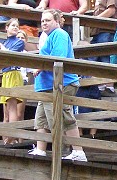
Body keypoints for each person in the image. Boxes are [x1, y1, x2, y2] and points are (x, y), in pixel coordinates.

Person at [28, 9, 88, 161]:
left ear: (56, 21)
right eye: (42, 21)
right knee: (41, 119)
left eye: (47, 20)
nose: (44, 23)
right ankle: (40, 149)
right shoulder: (49, 37)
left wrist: (40, 67)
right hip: (47, 85)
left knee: (62, 116)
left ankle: (77, 151)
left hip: (62, 83)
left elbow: (58, 57)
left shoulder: (59, 34)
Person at [0, 18, 26, 145]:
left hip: (14, 73)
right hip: (5, 75)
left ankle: (11, 137)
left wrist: (1, 47)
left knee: (12, 108)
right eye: (12, 25)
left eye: (17, 26)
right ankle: (6, 140)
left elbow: (10, 55)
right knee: (5, 111)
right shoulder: (3, 42)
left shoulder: (19, 42)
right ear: (6, 28)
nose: (15, 27)